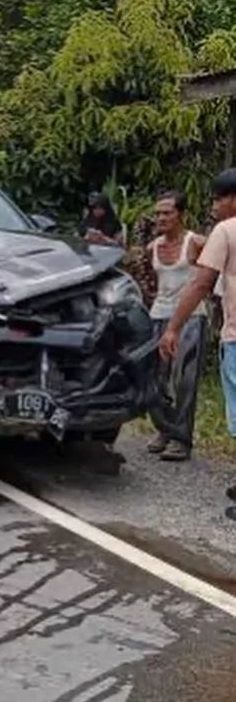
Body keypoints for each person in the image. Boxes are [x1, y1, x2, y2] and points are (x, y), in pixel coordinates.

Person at [159, 169, 236, 515]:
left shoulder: (225, 231)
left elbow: (201, 284)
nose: (215, 206)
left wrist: (173, 327)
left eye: (219, 199)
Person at [146, 191, 207, 461]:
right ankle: (165, 428)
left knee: (184, 380)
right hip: (159, 315)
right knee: (154, 379)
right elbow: (151, 283)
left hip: (191, 317)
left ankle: (181, 439)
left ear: (180, 214)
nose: (161, 218)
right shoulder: (153, 247)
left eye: (167, 212)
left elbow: (210, 275)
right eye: (158, 213)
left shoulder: (195, 243)